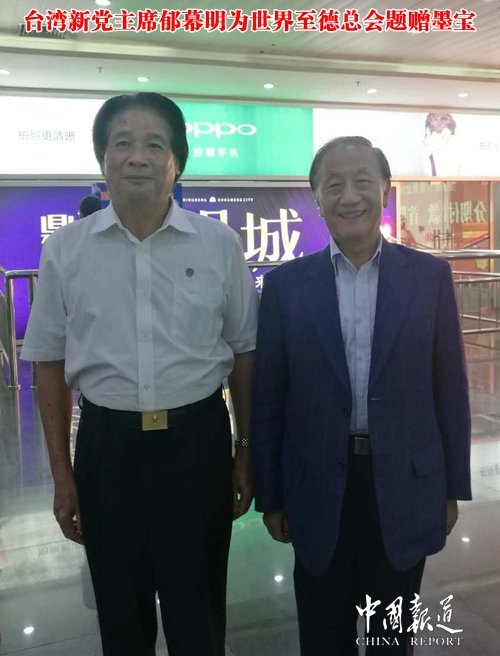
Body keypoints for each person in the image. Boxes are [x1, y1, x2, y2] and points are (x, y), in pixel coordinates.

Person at [21, 92, 259, 656]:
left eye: (155, 144)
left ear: (178, 162)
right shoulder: (66, 251)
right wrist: (62, 475)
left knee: (198, 614)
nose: (137, 156)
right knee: (120, 616)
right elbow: (48, 365)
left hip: (197, 446)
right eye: (122, 143)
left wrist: (245, 450)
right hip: (108, 450)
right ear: (102, 158)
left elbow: (245, 353)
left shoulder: (219, 245)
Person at [251, 136, 471, 655]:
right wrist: (271, 495)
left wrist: (451, 488)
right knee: (323, 636)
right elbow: (270, 398)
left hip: (404, 484)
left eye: (363, 182)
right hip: (315, 486)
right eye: (333, 185)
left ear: (386, 190)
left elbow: (450, 390)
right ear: (317, 198)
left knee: (392, 638)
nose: (349, 196)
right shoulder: (285, 286)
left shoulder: (429, 277)